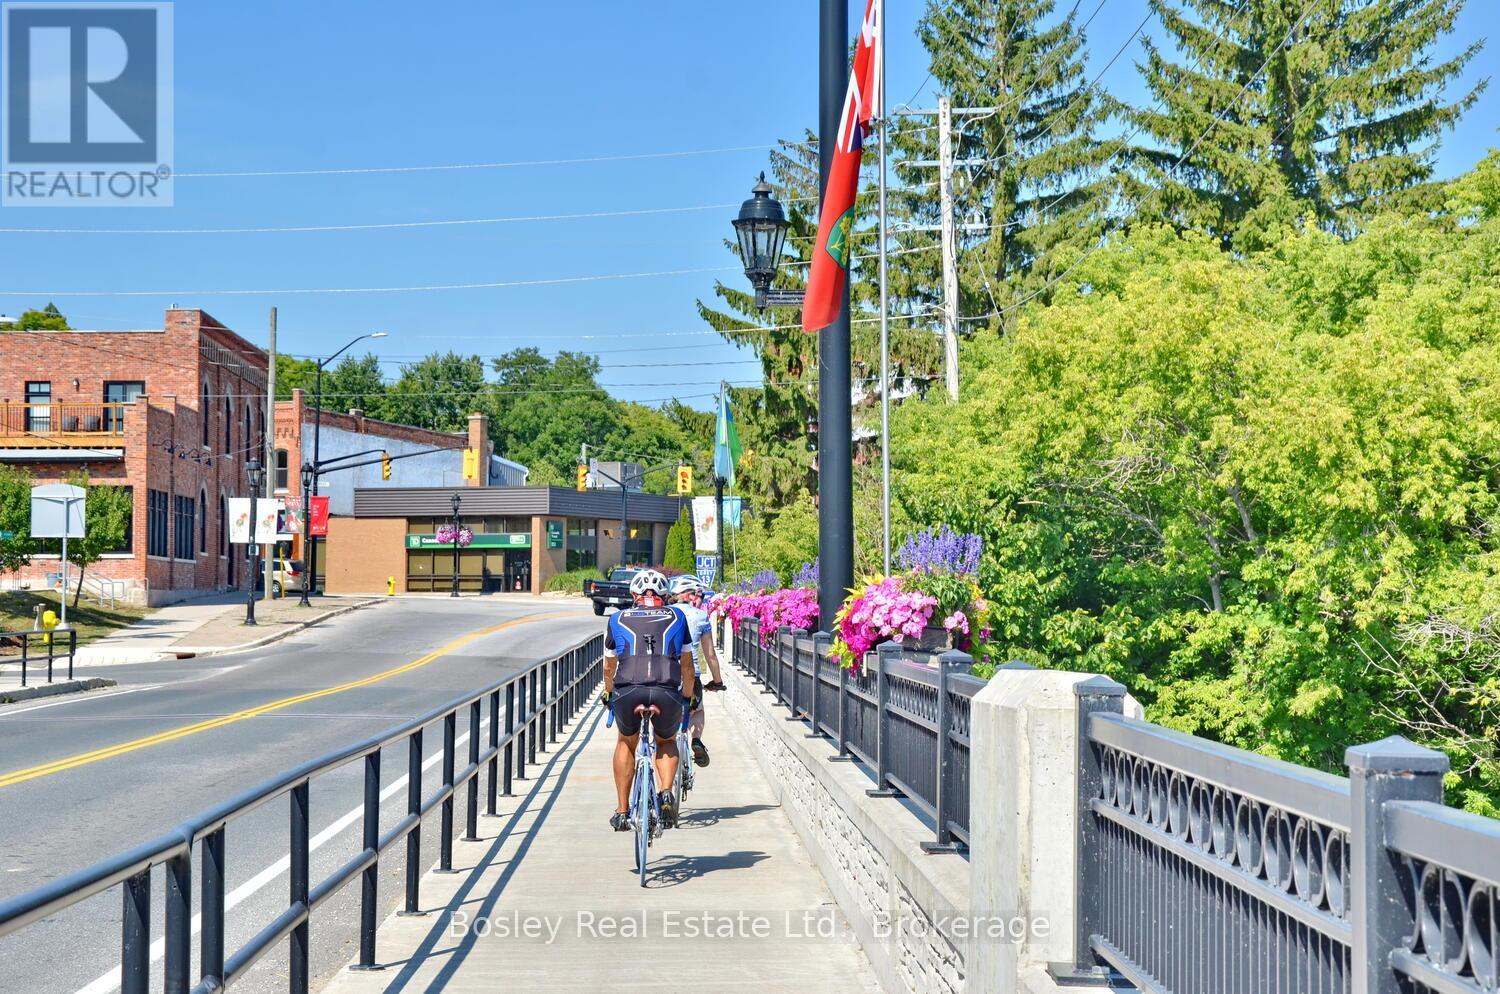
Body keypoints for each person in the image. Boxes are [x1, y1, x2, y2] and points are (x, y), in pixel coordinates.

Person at [601, 568, 697, 831]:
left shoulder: (617, 618)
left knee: (626, 742)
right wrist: (687, 698)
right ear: (665, 596)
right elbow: (688, 668)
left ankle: (622, 812)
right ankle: (666, 792)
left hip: (628, 689)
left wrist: (609, 693)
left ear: (634, 595)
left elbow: (608, 668)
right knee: (665, 740)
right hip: (666, 689)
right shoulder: (677, 615)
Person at [669, 574, 725, 767]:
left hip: (666, 674)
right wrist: (717, 682)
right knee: (697, 710)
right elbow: (710, 655)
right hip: (691, 675)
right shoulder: (700, 616)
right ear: (688, 595)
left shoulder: (664, 612)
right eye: (696, 594)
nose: (698, 599)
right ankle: (696, 739)